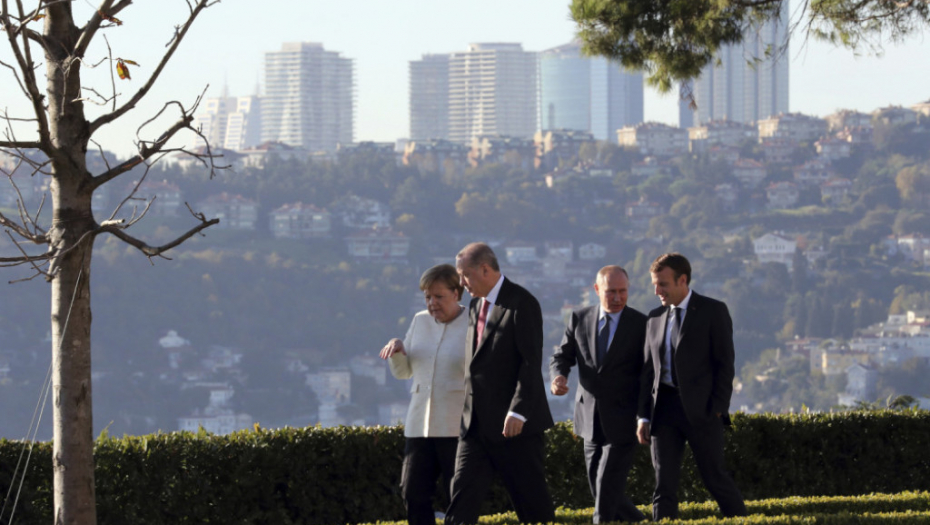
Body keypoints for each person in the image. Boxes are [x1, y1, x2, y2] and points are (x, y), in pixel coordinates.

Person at [444, 242, 555, 525]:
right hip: (475, 427)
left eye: (465, 275)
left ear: (484, 269)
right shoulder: (474, 305)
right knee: (460, 503)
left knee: (533, 506)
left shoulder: (522, 303)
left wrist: (518, 410)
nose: (461, 283)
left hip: (514, 428)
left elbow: (530, 363)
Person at [637, 253, 748, 520]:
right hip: (663, 411)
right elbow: (647, 373)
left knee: (714, 478)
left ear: (682, 280)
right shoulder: (653, 318)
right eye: (655, 284)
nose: (657, 291)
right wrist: (643, 416)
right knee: (664, 484)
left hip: (703, 411)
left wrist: (718, 409)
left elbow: (725, 364)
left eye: (662, 284)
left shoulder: (713, 311)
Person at [549, 265, 647, 523]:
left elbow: (649, 374)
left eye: (622, 291)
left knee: (605, 494)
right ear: (596, 289)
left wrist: (643, 416)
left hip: (624, 421)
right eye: (611, 291)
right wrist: (558, 376)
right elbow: (562, 355)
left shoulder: (641, 324)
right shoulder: (579, 318)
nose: (617, 298)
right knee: (602, 490)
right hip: (588, 419)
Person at [379, 264, 469, 525]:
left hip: (457, 426)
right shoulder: (419, 321)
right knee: (412, 492)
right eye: (428, 297)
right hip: (420, 425)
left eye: (438, 296)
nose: (432, 303)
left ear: (456, 293)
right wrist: (397, 350)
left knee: (460, 498)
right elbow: (404, 373)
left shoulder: (474, 322)